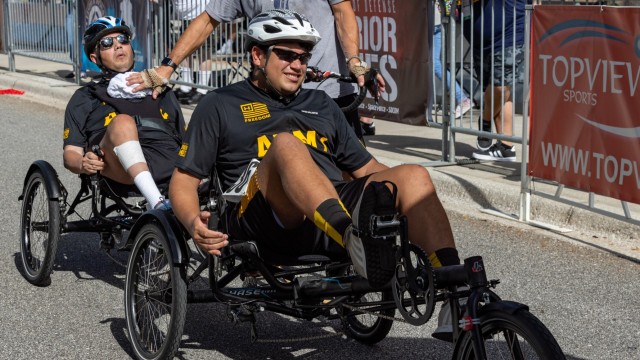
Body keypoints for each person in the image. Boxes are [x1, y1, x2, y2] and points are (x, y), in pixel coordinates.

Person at [168, 10, 460, 339]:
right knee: (287, 146)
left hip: (325, 212)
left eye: (303, 57)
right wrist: (193, 223)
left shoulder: (321, 103)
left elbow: (367, 168)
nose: (298, 65)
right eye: (287, 55)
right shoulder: (220, 103)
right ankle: (354, 241)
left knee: (414, 175)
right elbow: (183, 181)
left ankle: (454, 292)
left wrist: (403, 193)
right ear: (258, 55)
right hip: (262, 221)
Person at [126, 0, 385, 142]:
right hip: (277, 97)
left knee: (352, 175)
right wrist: (167, 66)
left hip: (330, 93)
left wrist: (354, 60)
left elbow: (343, 13)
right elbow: (206, 21)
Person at [63, 16, 185, 211]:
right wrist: (82, 163)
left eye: (123, 40)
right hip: (116, 166)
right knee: (123, 123)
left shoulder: (161, 90)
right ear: (95, 58)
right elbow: (70, 154)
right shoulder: (85, 96)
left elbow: (184, 139)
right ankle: (158, 204)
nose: (118, 46)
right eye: (107, 43)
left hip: (168, 160)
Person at [463, 0, 526, 162]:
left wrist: (485, 117)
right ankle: (506, 148)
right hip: (480, 39)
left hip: (509, 35)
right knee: (495, 92)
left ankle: (485, 120)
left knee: (501, 87)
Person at [433, 2, 473, 119]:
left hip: (433, 20)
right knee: (432, 64)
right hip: (436, 19)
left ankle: (462, 98)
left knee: (434, 64)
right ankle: (462, 98)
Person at [171, 0, 212, 105]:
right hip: (187, 17)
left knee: (204, 53)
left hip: (203, 15)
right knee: (184, 50)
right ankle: (186, 87)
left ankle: (203, 90)